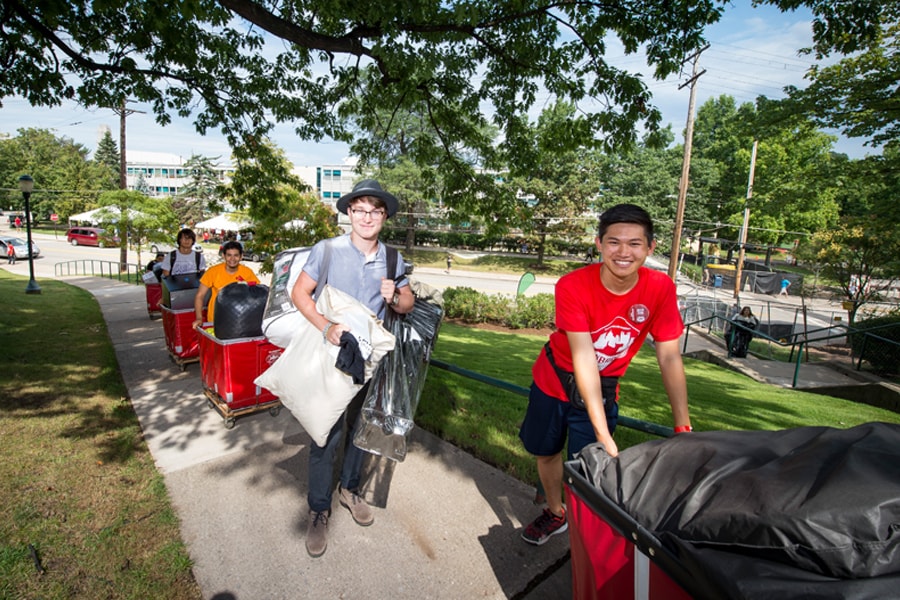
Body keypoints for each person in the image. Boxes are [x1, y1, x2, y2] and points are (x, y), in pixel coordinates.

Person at [519, 203, 692, 546]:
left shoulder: (659, 288)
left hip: (604, 385)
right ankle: (556, 513)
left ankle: (588, 543)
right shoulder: (573, 286)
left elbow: (670, 356)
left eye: (634, 243)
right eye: (613, 242)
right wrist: (604, 433)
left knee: (591, 468)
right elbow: (583, 357)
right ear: (599, 244)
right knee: (546, 451)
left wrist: (682, 427)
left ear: (650, 248)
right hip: (554, 379)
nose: (623, 252)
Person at [291, 179, 414, 558]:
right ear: (348, 213)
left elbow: (407, 303)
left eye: (375, 211)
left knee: (361, 431)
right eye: (360, 209)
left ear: (385, 217)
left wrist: (398, 297)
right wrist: (326, 326)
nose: (367, 217)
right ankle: (318, 509)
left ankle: (350, 489)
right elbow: (299, 292)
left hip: (370, 362)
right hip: (330, 359)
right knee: (324, 433)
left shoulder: (392, 259)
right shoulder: (327, 251)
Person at [192, 241, 259, 329]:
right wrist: (199, 318)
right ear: (223, 256)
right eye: (229, 255)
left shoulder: (247, 272)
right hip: (215, 320)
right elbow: (199, 296)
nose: (232, 259)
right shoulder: (213, 271)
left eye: (236, 255)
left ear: (241, 256)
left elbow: (257, 294)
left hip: (240, 320)